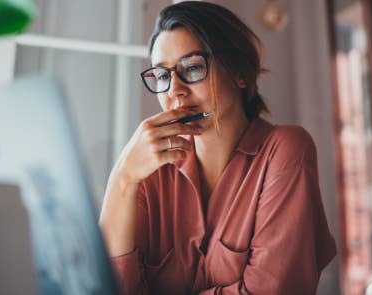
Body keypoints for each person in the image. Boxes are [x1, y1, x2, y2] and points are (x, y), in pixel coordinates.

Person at [99, 2, 336, 294]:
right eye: (162, 75)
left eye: (193, 68)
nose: (175, 90)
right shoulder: (148, 172)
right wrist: (122, 178)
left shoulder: (285, 150)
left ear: (239, 72)